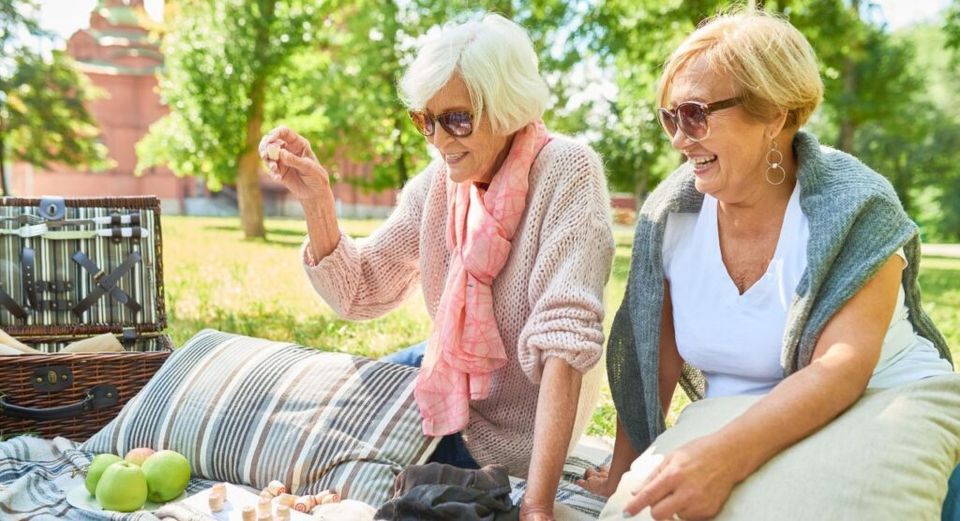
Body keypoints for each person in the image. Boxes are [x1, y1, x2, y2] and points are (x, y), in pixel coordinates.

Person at [578, 10, 959, 520]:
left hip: (880, 400)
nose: (678, 139)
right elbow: (652, 356)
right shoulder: (670, 214)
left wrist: (723, 459)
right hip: (734, 417)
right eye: (671, 117)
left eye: (695, 114)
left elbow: (839, 370)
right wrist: (623, 469)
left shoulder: (855, 206)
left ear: (774, 114)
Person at [259, 13, 614, 520]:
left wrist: (536, 505)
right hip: (451, 380)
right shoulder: (438, 184)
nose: (440, 140)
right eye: (426, 120)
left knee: (357, 470)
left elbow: (566, 342)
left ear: (507, 107)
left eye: (458, 119)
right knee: (319, 405)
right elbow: (361, 292)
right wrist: (318, 202)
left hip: (517, 426)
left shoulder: (568, 171)